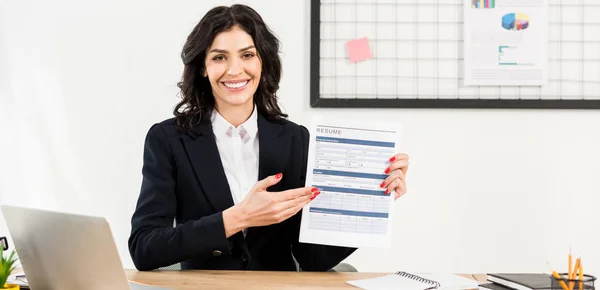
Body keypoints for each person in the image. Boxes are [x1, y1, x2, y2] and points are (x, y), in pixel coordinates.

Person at [128, 4, 409, 272]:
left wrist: (375, 196)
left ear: (263, 62)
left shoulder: (294, 139)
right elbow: (144, 248)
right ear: (203, 67)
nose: (235, 70)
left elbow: (314, 258)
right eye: (219, 57)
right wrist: (237, 218)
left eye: (247, 55)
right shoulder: (168, 139)